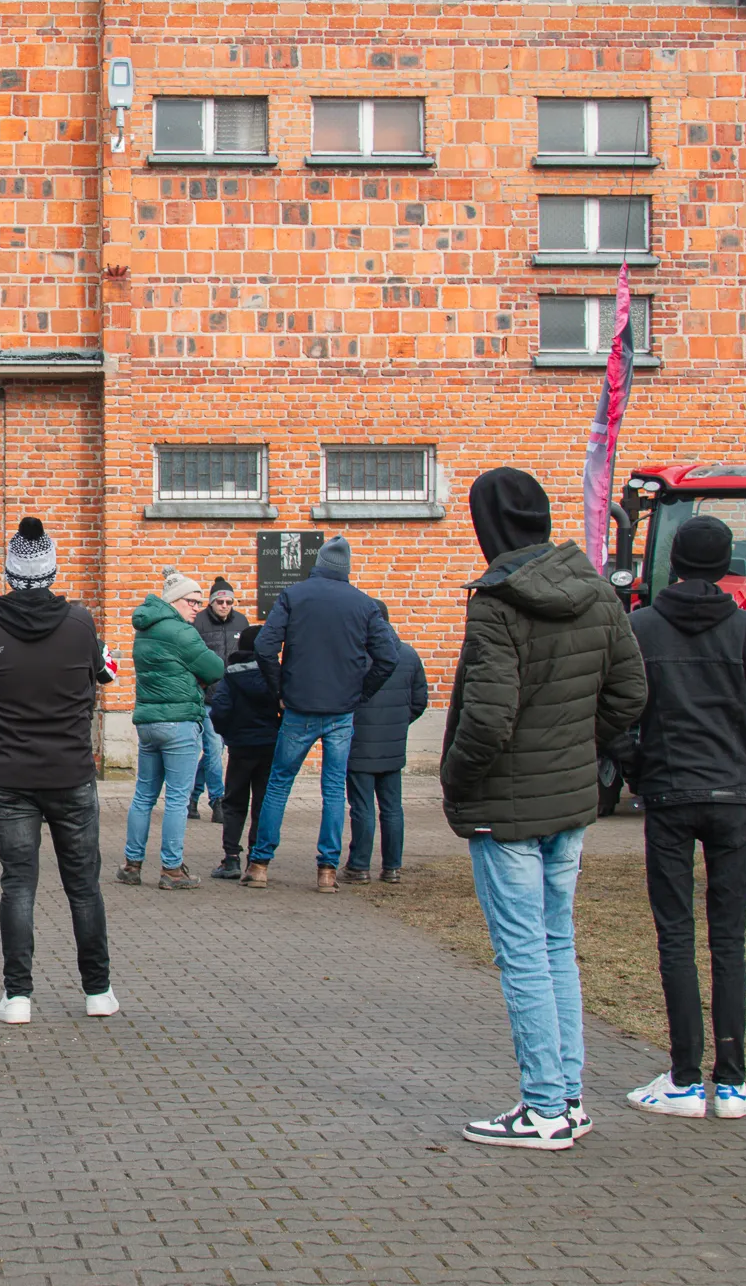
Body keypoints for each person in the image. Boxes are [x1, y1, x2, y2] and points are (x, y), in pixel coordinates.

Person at [442, 468, 645, 1150]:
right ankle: (567, 1096)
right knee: (557, 946)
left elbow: (488, 717)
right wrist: (576, 747)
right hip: (567, 800)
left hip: (508, 804)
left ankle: (544, 1106)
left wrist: (457, 778)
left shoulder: (498, 602)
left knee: (526, 952)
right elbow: (630, 689)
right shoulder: (594, 590)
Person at [618, 516, 746, 1121]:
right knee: (729, 939)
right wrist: (742, 766)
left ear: (673, 560)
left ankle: (687, 1075)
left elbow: (615, 710)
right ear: (726, 566)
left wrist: (639, 767)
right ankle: (733, 1080)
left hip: (669, 791)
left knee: (676, 935)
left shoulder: (640, 626)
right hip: (730, 795)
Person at [0, 517, 118, 1025]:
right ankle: (98, 991)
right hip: (71, 772)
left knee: (18, 885)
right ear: (51, 571)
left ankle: (18, 997)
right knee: (84, 885)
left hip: (10, 776)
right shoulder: (81, 624)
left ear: (9, 574)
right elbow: (100, 677)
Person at [248, 538, 398, 894]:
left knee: (279, 784)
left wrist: (279, 690)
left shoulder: (294, 595)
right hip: (341, 711)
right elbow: (388, 656)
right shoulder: (363, 604)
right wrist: (360, 693)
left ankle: (259, 864)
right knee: (333, 790)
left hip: (299, 706)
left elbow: (264, 646)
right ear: (346, 568)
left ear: (317, 563)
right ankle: (327, 870)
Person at [121, 571, 229, 889]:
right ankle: (171, 869)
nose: (197, 607)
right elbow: (215, 668)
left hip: (148, 722)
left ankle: (131, 864)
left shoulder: (144, 629)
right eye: (191, 601)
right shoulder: (182, 633)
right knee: (179, 799)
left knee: (143, 796)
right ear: (174, 601)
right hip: (179, 722)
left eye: (199, 602)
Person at [341, 607, 428, 885]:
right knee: (392, 808)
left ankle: (359, 866)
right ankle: (392, 867)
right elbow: (419, 701)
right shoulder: (409, 655)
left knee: (362, 807)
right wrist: (398, 725)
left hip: (358, 743)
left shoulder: (353, 656)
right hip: (393, 744)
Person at [207, 623, 280, 884]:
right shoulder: (275, 675)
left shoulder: (231, 675)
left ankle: (231, 858)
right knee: (263, 802)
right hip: (270, 744)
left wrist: (228, 732)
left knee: (235, 802)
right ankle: (256, 859)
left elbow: (220, 709)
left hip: (240, 747)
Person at [187, 577, 246, 822]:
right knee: (213, 749)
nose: (224, 605)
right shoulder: (198, 622)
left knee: (215, 750)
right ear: (211, 603)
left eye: (228, 601)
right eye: (219, 601)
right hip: (208, 696)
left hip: (230, 696)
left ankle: (192, 795)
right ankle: (217, 800)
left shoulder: (241, 622)